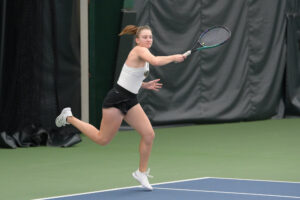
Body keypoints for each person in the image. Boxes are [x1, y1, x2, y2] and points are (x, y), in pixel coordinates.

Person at [55, 25, 186, 190]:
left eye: (150, 37)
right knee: (102, 139)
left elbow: (130, 75)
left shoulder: (143, 57)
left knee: (148, 134)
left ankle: (141, 172)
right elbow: (156, 60)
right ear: (137, 40)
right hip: (117, 99)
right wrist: (174, 57)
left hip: (130, 100)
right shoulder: (139, 51)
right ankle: (69, 117)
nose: (148, 40)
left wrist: (145, 85)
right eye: (145, 37)